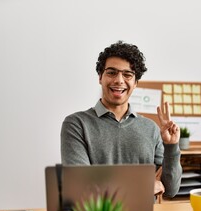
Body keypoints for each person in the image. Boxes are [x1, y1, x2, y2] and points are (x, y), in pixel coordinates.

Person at [60, 41, 182, 198]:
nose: (119, 80)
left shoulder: (150, 128)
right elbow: (81, 187)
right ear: (100, 77)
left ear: (135, 82)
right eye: (111, 72)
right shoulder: (76, 124)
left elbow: (170, 190)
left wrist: (171, 147)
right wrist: (143, 186)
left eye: (127, 75)